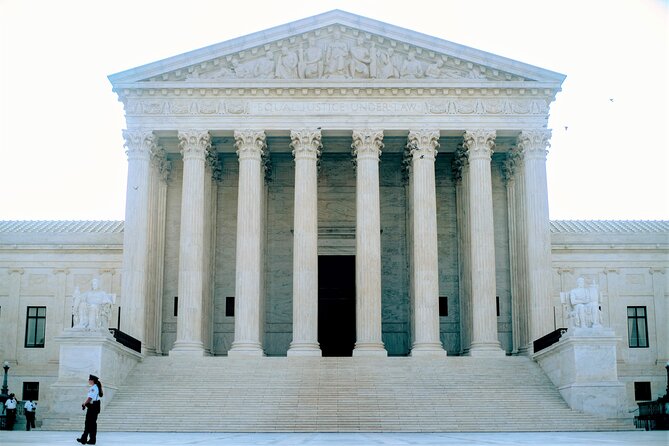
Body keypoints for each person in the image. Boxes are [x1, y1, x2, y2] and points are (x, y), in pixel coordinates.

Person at [77, 374, 103, 445]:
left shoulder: (93, 388)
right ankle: (89, 439)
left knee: (89, 423)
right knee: (91, 424)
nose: (88, 381)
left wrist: (84, 403)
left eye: (89, 379)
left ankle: (86, 439)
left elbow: (90, 398)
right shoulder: (95, 387)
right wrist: (85, 403)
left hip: (93, 407)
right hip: (94, 406)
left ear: (92, 381)